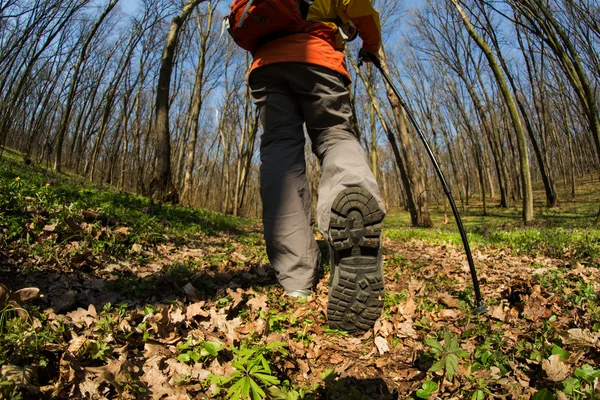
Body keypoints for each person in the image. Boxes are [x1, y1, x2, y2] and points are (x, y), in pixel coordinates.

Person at [248, 0, 386, 332]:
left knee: (281, 150)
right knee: (333, 134)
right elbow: (358, 5)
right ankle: (350, 190)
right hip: (317, 55)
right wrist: (371, 45)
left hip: (267, 63)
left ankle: (295, 281)